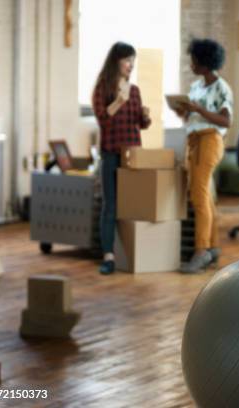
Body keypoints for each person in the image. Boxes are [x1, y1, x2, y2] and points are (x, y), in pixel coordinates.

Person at [174, 38, 233, 273]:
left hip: (210, 140)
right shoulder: (196, 87)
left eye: (194, 60)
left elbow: (226, 120)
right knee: (205, 194)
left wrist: (199, 109)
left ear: (205, 62)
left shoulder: (221, 87)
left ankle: (201, 250)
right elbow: (192, 118)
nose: (191, 64)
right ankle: (212, 247)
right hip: (195, 140)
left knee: (198, 195)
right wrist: (185, 111)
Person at [92, 42, 151, 275]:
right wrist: (118, 100)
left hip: (132, 156)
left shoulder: (134, 90)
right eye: (127, 61)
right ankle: (108, 257)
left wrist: (145, 116)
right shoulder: (103, 88)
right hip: (110, 154)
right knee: (110, 206)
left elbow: (141, 124)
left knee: (132, 205)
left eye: (133, 61)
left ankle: (134, 255)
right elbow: (103, 119)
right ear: (116, 61)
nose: (131, 65)